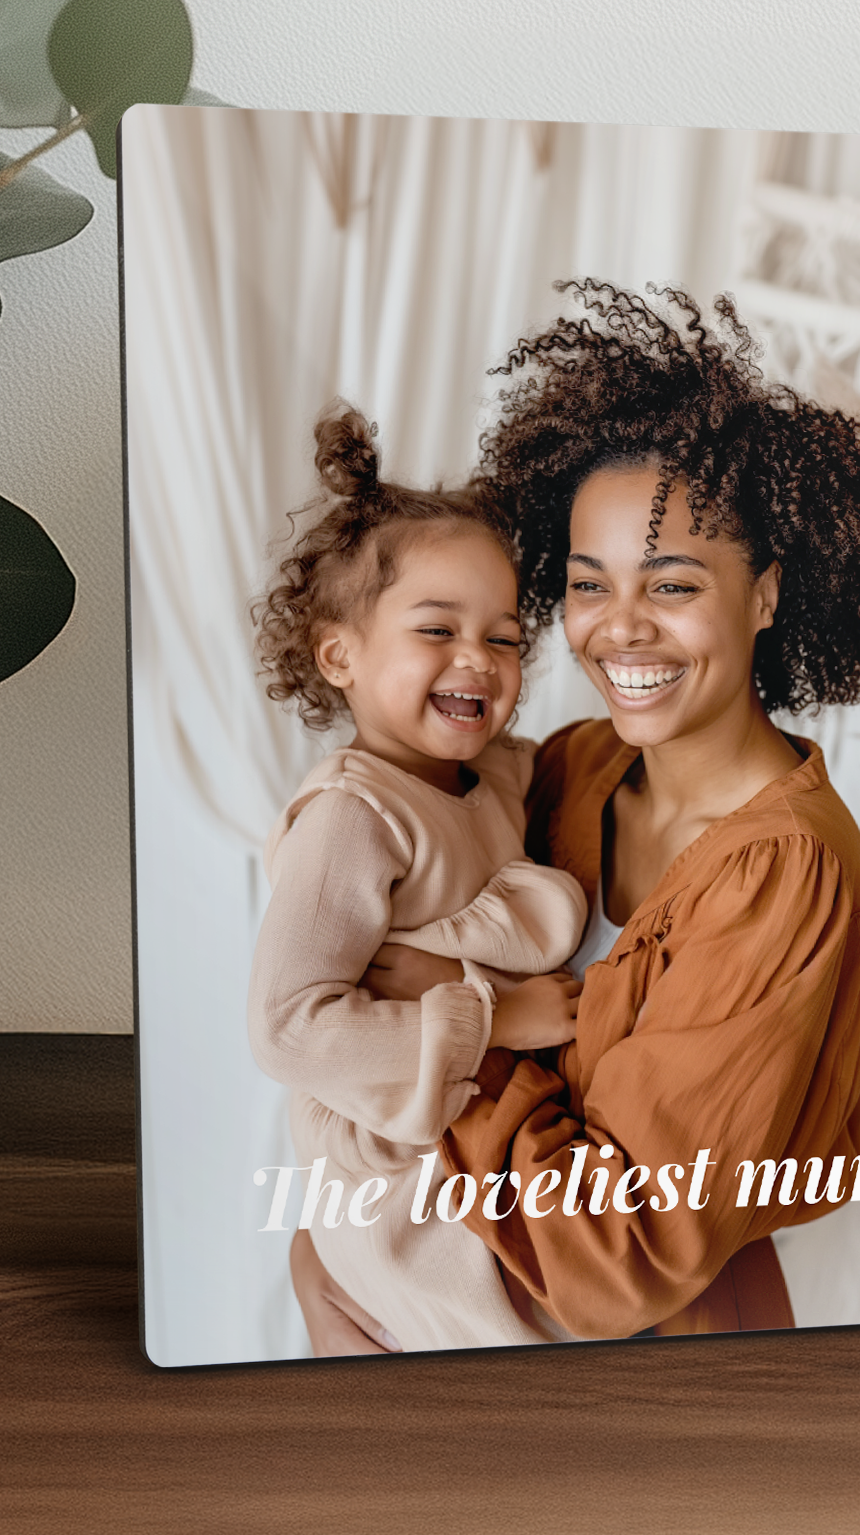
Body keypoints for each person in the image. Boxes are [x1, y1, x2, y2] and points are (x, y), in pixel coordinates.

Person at [349, 281, 860, 1342]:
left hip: (670, 1367)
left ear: (764, 593)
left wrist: (459, 1022)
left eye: (672, 586)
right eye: (586, 584)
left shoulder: (782, 874)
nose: (618, 630)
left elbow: (623, 1254)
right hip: (460, 1299)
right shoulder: (574, 767)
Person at [246, 405, 587, 1353]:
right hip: (392, 1173)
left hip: (467, 1139)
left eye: (505, 638)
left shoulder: (498, 776)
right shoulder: (354, 816)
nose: (477, 658)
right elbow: (285, 1029)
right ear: (340, 656)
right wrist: (496, 1018)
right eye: (437, 628)